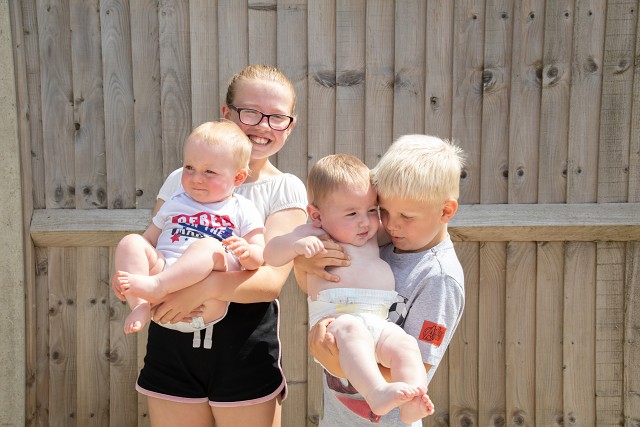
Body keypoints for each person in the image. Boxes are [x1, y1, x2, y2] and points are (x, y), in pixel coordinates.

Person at [111, 64, 307, 427]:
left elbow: (269, 281)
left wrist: (198, 290)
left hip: (243, 350)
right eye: (250, 112)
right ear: (226, 112)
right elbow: (158, 246)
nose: (263, 125)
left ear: (289, 126)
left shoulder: (284, 188)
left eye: (277, 117)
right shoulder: (183, 179)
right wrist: (134, 287)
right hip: (172, 343)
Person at [298, 135, 466, 426]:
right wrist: (303, 263)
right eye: (383, 211)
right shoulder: (375, 244)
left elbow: (418, 369)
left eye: (406, 216)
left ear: (445, 211)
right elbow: (319, 286)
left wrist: (338, 364)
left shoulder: (439, 279)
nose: (390, 224)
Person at [263, 154, 435, 423]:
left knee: (406, 344)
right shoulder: (313, 233)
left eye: (371, 210)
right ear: (317, 215)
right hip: (338, 321)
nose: (365, 221)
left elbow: (407, 224)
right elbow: (271, 254)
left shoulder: (373, 233)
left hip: (378, 321)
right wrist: (296, 247)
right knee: (352, 330)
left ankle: (414, 399)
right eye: (352, 213)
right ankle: (376, 393)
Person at [113, 120, 266, 346]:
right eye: (189, 168)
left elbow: (259, 257)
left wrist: (247, 252)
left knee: (209, 246)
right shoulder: (175, 201)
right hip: (162, 291)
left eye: (209, 171)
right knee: (131, 242)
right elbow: (148, 241)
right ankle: (140, 306)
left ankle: (156, 287)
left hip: (204, 299)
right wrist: (127, 272)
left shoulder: (241, 208)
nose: (196, 178)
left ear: (238, 178)